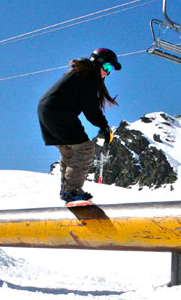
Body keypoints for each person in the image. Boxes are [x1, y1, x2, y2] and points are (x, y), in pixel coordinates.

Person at [38, 47, 121, 203]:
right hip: (58, 112)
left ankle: (67, 189)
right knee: (85, 149)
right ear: (98, 64)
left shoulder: (81, 74)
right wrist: (103, 126)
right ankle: (72, 190)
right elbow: (90, 107)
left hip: (47, 112)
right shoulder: (89, 77)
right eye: (108, 68)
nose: (108, 73)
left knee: (69, 151)